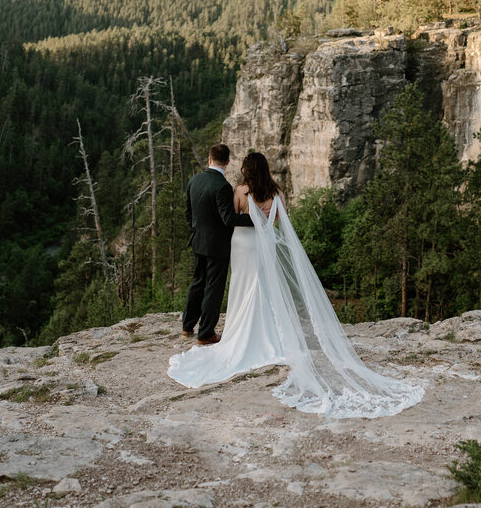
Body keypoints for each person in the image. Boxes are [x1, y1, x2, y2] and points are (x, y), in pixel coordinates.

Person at [169, 151, 424, 419]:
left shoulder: (240, 191)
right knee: (264, 286)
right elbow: (279, 220)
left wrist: (246, 217)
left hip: (241, 245)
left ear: (246, 170)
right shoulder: (276, 192)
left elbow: (230, 218)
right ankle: (268, 333)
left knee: (242, 288)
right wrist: (264, 219)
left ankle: (236, 332)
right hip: (262, 243)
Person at [181, 143, 253, 345]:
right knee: (214, 287)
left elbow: (188, 212)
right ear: (228, 162)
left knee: (198, 282)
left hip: (198, 241)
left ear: (209, 159)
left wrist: (195, 231)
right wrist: (255, 219)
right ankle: (206, 333)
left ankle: (187, 326)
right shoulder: (222, 186)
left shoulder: (194, 180)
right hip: (217, 246)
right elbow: (228, 219)